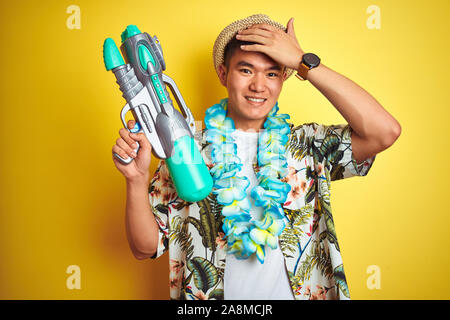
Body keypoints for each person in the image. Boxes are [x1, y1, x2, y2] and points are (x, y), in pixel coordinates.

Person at [112, 14, 401, 300]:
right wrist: (135, 180)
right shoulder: (183, 146)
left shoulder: (307, 145)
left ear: (285, 77)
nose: (259, 86)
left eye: (272, 73)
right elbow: (144, 247)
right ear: (224, 74)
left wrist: (304, 62)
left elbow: (384, 132)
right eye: (246, 70)